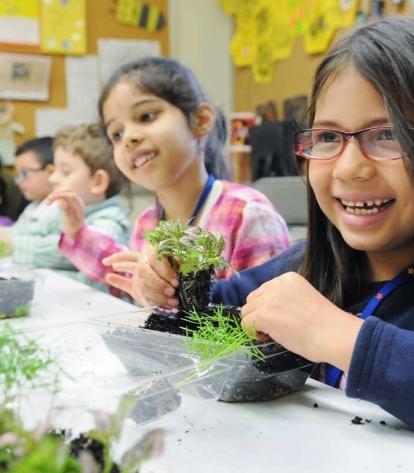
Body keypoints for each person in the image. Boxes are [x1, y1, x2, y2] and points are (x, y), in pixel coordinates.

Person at [128, 17, 414, 429]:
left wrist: (340, 337)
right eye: (329, 137)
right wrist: (168, 279)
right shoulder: (305, 266)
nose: (350, 168)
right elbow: (214, 309)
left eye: (388, 134)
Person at [49, 57, 290, 292]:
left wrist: (174, 302)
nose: (129, 138)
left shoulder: (247, 214)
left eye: (147, 116)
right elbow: (130, 277)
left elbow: (272, 318)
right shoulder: (148, 222)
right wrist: (77, 232)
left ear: (201, 121)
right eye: (117, 134)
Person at [3, 124, 130, 291]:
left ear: (98, 182)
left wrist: (40, 269)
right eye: (55, 169)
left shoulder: (109, 223)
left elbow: (92, 283)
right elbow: (29, 231)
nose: (53, 178)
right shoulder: (60, 211)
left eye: (65, 171)